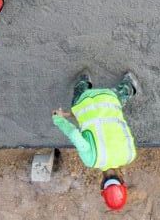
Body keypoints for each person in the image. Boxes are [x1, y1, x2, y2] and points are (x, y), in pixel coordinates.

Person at [52, 69, 139, 210]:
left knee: (118, 101)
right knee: (79, 99)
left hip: (110, 99)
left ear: (122, 180)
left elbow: (120, 125)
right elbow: (74, 133)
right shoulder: (91, 159)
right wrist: (59, 118)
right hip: (85, 101)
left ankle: (129, 85)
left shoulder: (130, 155)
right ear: (101, 185)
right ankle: (83, 81)